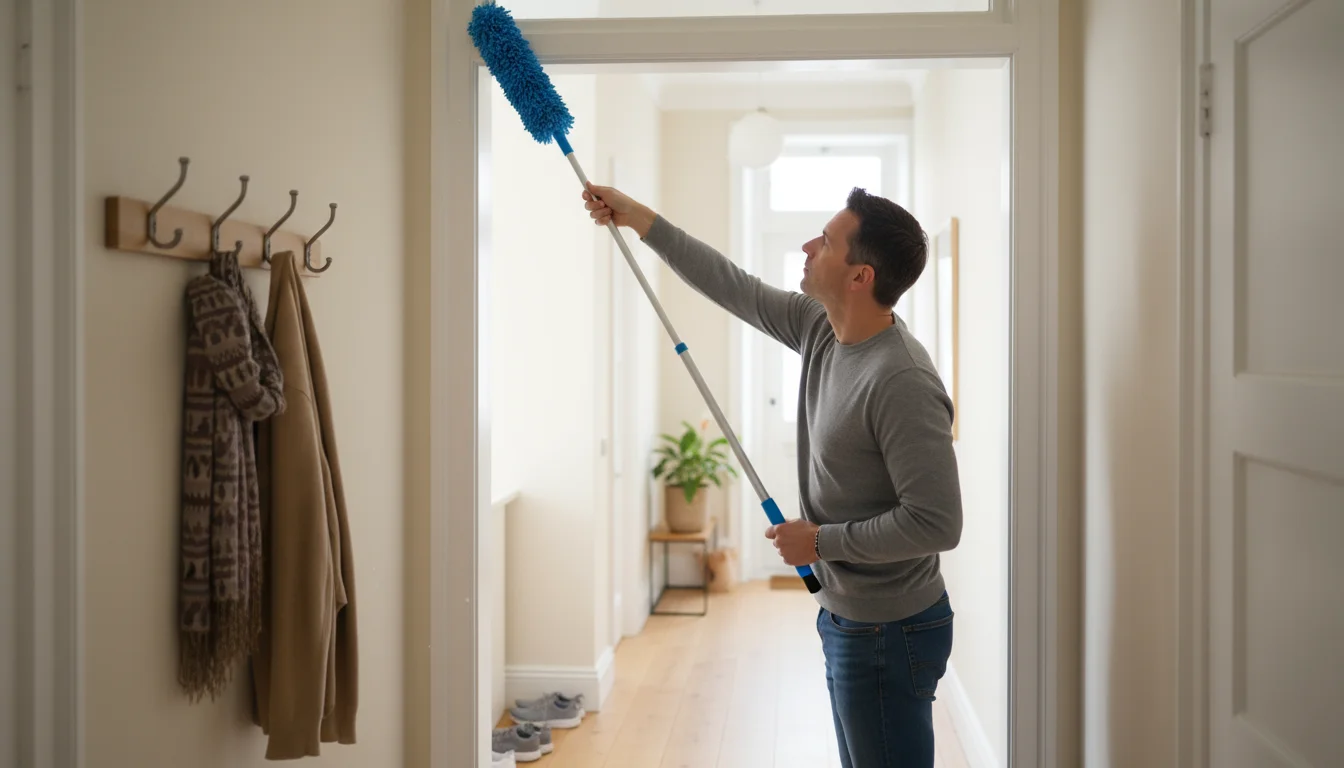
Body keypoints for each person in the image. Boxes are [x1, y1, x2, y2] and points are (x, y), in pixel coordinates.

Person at [581, 180, 963, 768]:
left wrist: (820, 542)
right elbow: (733, 285)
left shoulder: (900, 380)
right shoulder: (821, 329)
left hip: (891, 630)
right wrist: (640, 219)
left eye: (829, 241)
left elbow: (936, 523)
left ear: (861, 276)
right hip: (848, 615)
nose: (809, 246)